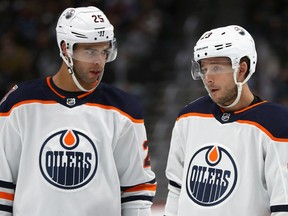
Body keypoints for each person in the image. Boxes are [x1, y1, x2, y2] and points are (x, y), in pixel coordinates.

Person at [0, 6, 156, 216]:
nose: (99, 61)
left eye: (104, 51)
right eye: (90, 51)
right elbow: (2, 186)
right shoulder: (19, 103)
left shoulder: (125, 109)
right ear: (65, 48)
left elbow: (137, 191)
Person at [164, 25, 288, 216]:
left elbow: (283, 207)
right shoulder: (188, 117)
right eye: (204, 69)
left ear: (242, 69)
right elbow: (176, 190)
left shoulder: (277, 124)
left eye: (216, 67)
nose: (208, 78)